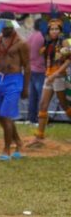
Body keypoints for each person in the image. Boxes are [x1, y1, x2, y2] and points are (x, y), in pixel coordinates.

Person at [0, 12, 29, 160]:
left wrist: (25, 88)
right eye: (1, 25)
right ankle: (18, 142)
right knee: (0, 115)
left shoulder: (21, 43)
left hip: (14, 80)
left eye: (6, 25)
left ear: (13, 25)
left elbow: (27, 67)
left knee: (6, 115)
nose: (3, 28)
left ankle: (6, 150)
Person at [27, 16, 71, 147]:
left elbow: (69, 60)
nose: (54, 31)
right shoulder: (47, 42)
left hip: (59, 77)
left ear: (61, 30)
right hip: (49, 76)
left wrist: (56, 74)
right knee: (42, 105)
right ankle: (39, 137)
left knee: (64, 105)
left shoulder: (64, 42)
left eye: (57, 29)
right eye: (52, 29)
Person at [27, 18, 46, 125]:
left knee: (32, 96)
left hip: (30, 68)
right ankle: (40, 119)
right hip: (40, 69)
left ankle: (31, 118)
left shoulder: (31, 36)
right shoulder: (43, 37)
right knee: (42, 96)